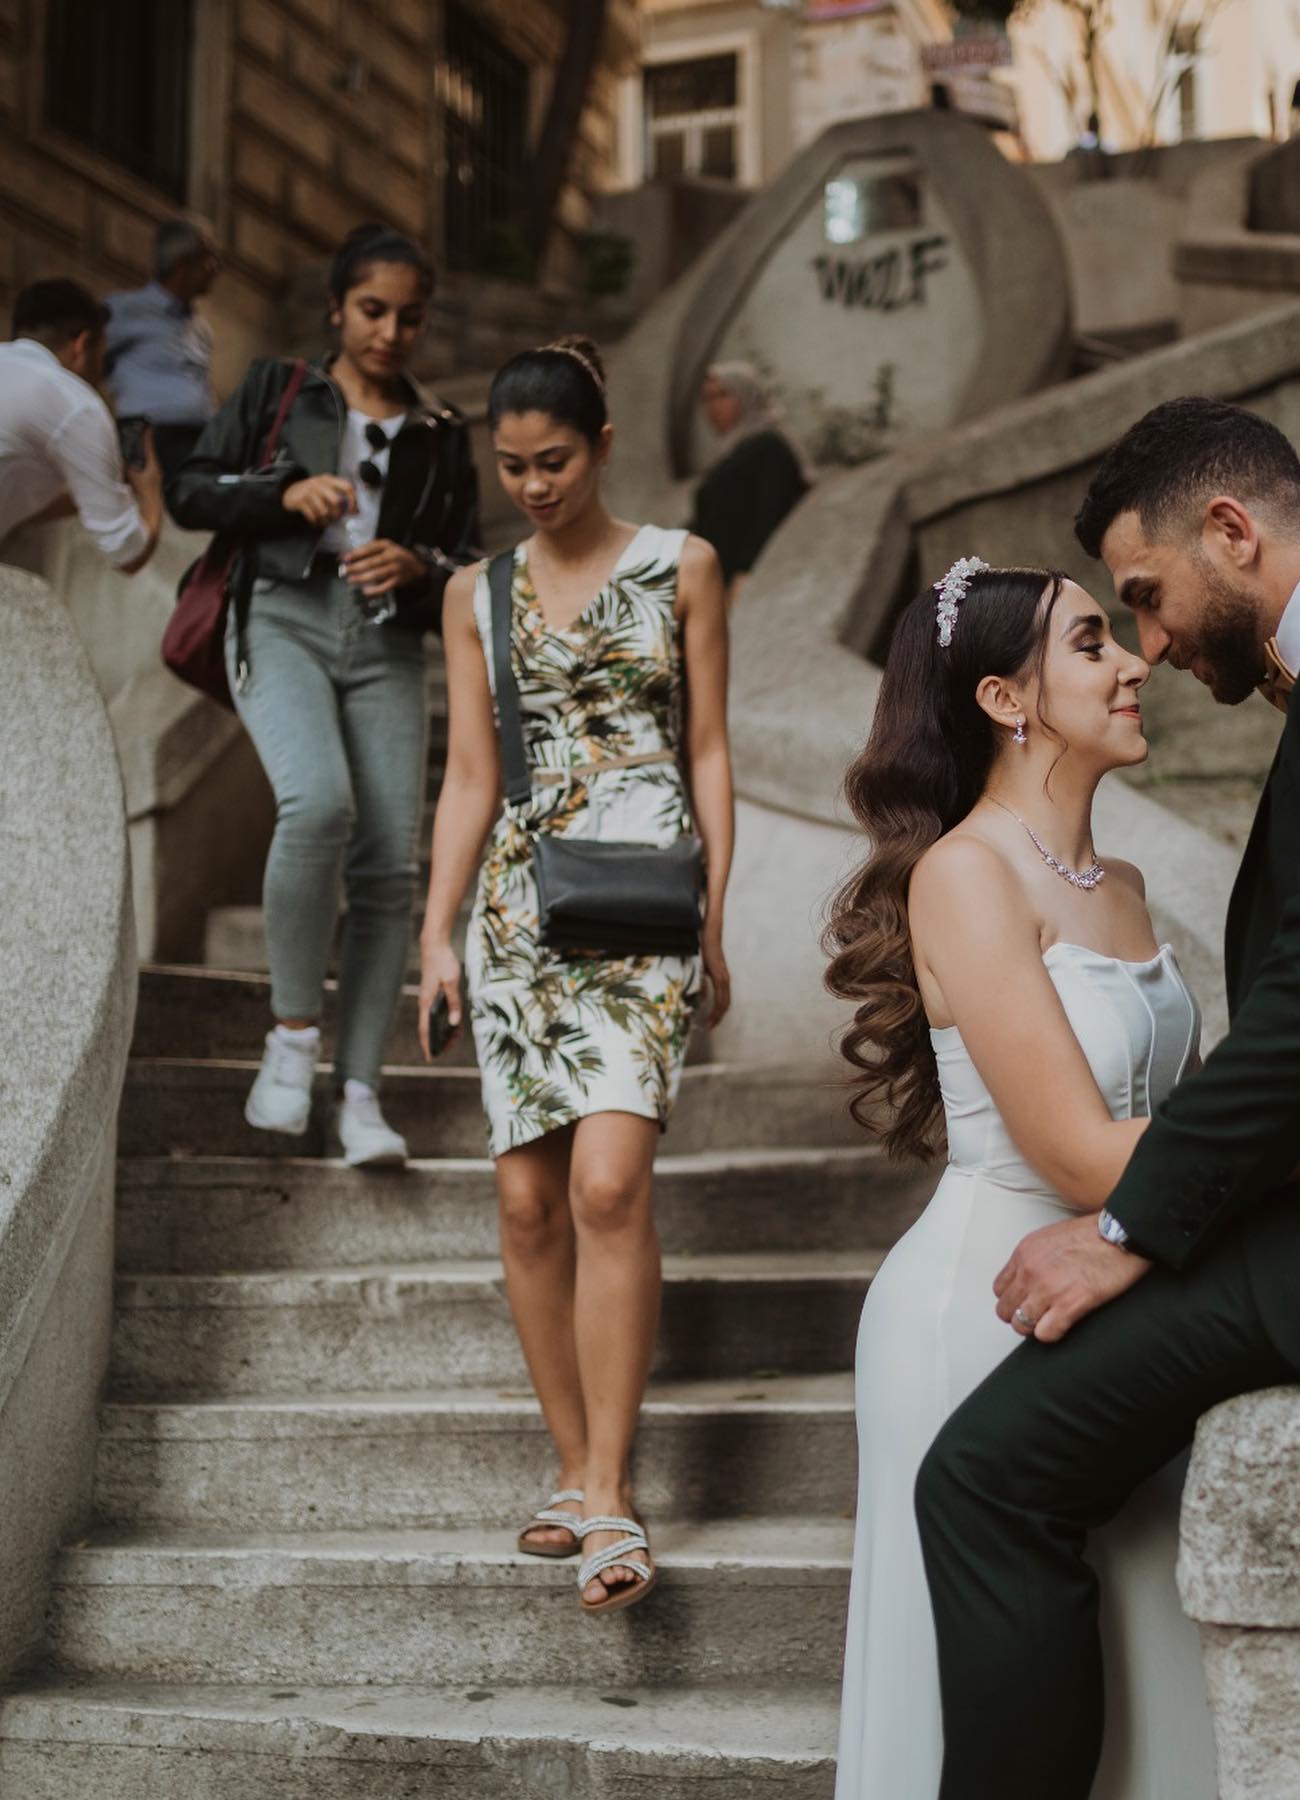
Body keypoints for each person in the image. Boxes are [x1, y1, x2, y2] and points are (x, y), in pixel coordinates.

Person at [825, 548, 1300, 1797]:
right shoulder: (965, 875)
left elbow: (1201, 1115)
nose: (1132, 665)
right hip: (988, 1294)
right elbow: (1079, 1152)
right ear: (1006, 700)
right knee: (987, 1640)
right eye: (1091, 642)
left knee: (1137, 1654)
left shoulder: (1131, 887)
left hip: (1117, 1276)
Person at [418, 334, 734, 1615]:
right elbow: (470, 778)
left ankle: (611, 1489)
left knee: (609, 1181)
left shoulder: (683, 566)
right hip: (519, 904)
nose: (534, 486)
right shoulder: (473, 594)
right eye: (511, 468)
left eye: (553, 461)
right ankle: (569, 1465)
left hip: (646, 891)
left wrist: (712, 910)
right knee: (529, 1206)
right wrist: (436, 933)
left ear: (604, 445)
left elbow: (708, 746)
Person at [170, 222, 479, 1167]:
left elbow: (465, 561)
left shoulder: (440, 430)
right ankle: (292, 1039)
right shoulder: (276, 387)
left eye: (409, 317)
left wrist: (416, 566)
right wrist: (283, 494)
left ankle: (359, 1097)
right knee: (317, 804)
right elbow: (190, 492)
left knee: (391, 865)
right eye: (373, 310)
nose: (390, 332)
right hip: (283, 618)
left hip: (384, 643)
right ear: (338, 308)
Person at [0, 279, 163, 573]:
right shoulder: (75, 403)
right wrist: (150, 490)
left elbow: (12, 501)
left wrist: (88, 492)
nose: (102, 374)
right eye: (103, 358)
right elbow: (127, 553)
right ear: (82, 343)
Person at [106, 215, 220, 495]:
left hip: (196, 442)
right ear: (182, 264)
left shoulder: (201, 328)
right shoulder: (124, 310)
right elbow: (87, 362)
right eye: (208, 258)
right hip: (147, 438)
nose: (215, 269)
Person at [690, 362, 809, 603]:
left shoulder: (769, 446)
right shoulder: (734, 451)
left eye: (723, 395)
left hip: (740, 586)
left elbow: (771, 515)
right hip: (711, 581)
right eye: (707, 399)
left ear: (747, 396)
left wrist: (745, 575)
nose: (712, 408)